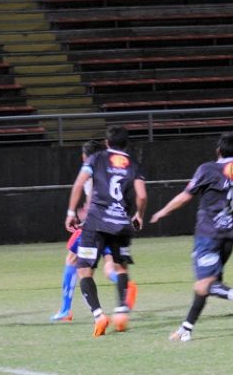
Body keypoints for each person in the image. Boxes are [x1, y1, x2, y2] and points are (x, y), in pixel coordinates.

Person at [150, 131, 233, 342]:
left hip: (208, 234)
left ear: (218, 150)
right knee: (208, 284)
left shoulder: (208, 169)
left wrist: (163, 211)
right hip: (230, 235)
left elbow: (186, 196)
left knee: (203, 284)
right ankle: (187, 328)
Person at [64, 126, 147, 337]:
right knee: (120, 268)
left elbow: (78, 185)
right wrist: (139, 215)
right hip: (121, 223)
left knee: (84, 270)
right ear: (126, 144)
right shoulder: (134, 164)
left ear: (107, 142)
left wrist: (71, 212)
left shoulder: (97, 158)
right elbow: (142, 196)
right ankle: (120, 311)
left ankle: (99, 315)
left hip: (96, 223)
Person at [51, 140, 137, 322]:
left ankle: (67, 309)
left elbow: (91, 196)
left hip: (94, 224)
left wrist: (81, 215)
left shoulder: (93, 168)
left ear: (87, 156)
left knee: (73, 260)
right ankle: (126, 287)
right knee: (110, 266)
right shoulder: (112, 167)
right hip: (115, 224)